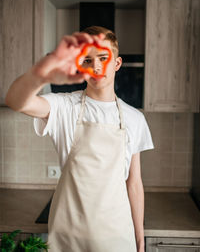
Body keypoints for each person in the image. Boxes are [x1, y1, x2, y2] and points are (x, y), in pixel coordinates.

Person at [5, 26, 154, 252]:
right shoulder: (65, 107)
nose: (96, 66)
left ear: (117, 63)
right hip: (68, 236)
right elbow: (17, 101)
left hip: (117, 236)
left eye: (103, 58)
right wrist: (41, 74)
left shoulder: (135, 119)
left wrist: (140, 239)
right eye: (87, 60)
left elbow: (134, 183)